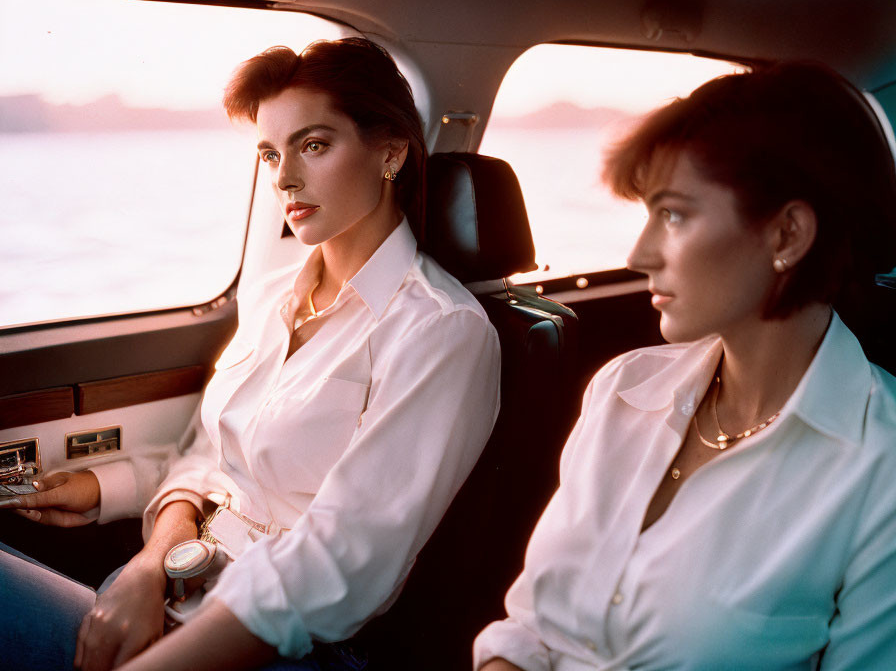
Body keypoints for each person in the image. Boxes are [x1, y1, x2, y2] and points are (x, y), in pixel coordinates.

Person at [0, 37, 500, 671]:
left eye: (313, 145)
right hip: (177, 587)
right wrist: (147, 562)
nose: (284, 177)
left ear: (391, 151)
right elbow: (209, 460)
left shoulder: (441, 332)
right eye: (270, 152)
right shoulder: (271, 296)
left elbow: (344, 563)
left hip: (287, 646)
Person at [474, 62, 896, 670]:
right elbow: (532, 628)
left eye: (673, 215)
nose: (639, 254)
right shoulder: (623, 388)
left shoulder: (879, 468)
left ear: (787, 235)